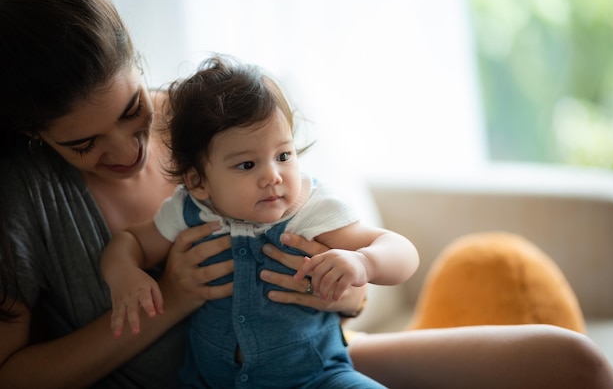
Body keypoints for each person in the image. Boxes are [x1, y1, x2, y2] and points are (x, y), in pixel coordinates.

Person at [0, 0, 613, 389]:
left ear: (136, 62)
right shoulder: (24, 200)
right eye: (83, 144)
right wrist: (174, 298)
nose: (128, 149)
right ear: (34, 134)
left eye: (132, 109)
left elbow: (360, 253)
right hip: (202, 375)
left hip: (307, 361)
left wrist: (347, 283)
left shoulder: (211, 124)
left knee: (573, 364)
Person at [100, 54, 419, 388]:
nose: (273, 176)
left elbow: (400, 250)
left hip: (317, 378)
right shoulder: (189, 210)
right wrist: (123, 272)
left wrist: (364, 262)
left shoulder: (310, 209)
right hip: (209, 382)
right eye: (247, 165)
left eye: (283, 156)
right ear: (198, 182)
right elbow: (130, 242)